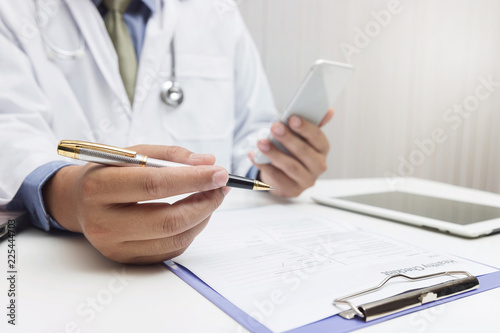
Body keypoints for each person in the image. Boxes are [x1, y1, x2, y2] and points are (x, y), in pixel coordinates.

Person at [0, 0, 332, 264]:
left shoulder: (218, 11)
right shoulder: (14, 10)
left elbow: (252, 127)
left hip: (211, 256)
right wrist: (69, 196)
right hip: (57, 267)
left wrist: (276, 164)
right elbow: (10, 130)